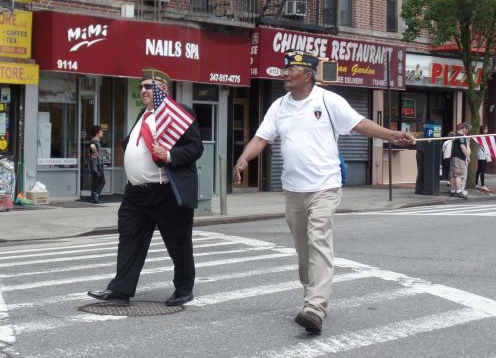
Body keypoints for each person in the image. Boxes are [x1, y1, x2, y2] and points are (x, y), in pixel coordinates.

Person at [233, 50, 415, 334]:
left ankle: (315, 308)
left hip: (325, 186)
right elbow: (261, 137)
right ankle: (311, 295)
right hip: (293, 190)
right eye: (284, 70)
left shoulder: (329, 101)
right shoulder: (279, 106)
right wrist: (244, 159)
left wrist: (391, 135)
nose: (284, 74)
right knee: (303, 251)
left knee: (319, 240)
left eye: (290, 71)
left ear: (307, 75)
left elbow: (359, 124)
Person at [88, 68, 204, 306]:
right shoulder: (143, 114)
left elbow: (195, 148)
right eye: (141, 87)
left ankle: (183, 289)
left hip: (166, 193)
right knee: (129, 241)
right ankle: (121, 290)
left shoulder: (179, 113)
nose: (142, 90)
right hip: (135, 194)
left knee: (178, 244)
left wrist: (170, 154)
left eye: (148, 86)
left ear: (163, 89)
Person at [449, 122, 470, 200]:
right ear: (463, 128)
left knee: (452, 174)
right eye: (466, 129)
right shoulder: (461, 137)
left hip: (453, 157)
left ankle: (452, 191)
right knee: (458, 174)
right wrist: (467, 156)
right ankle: (459, 191)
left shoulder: (455, 136)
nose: (467, 131)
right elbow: (463, 147)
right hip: (459, 158)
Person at [88, 124, 106, 204]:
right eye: (101, 131)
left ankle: (93, 198)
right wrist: (96, 153)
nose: (102, 132)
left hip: (96, 165)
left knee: (95, 182)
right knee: (102, 181)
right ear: (97, 132)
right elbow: (92, 146)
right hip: (96, 165)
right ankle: (96, 195)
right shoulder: (94, 140)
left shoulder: (96, 140)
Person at [476, 124, 489, 191]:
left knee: (479, 170)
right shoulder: (483, 137)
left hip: (480, 156)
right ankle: (483, 185)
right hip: (482, 156)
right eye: (486, 129)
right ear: (483, 130)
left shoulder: (480, 136)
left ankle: (476, 184)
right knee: (482, 171)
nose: (487, 130)